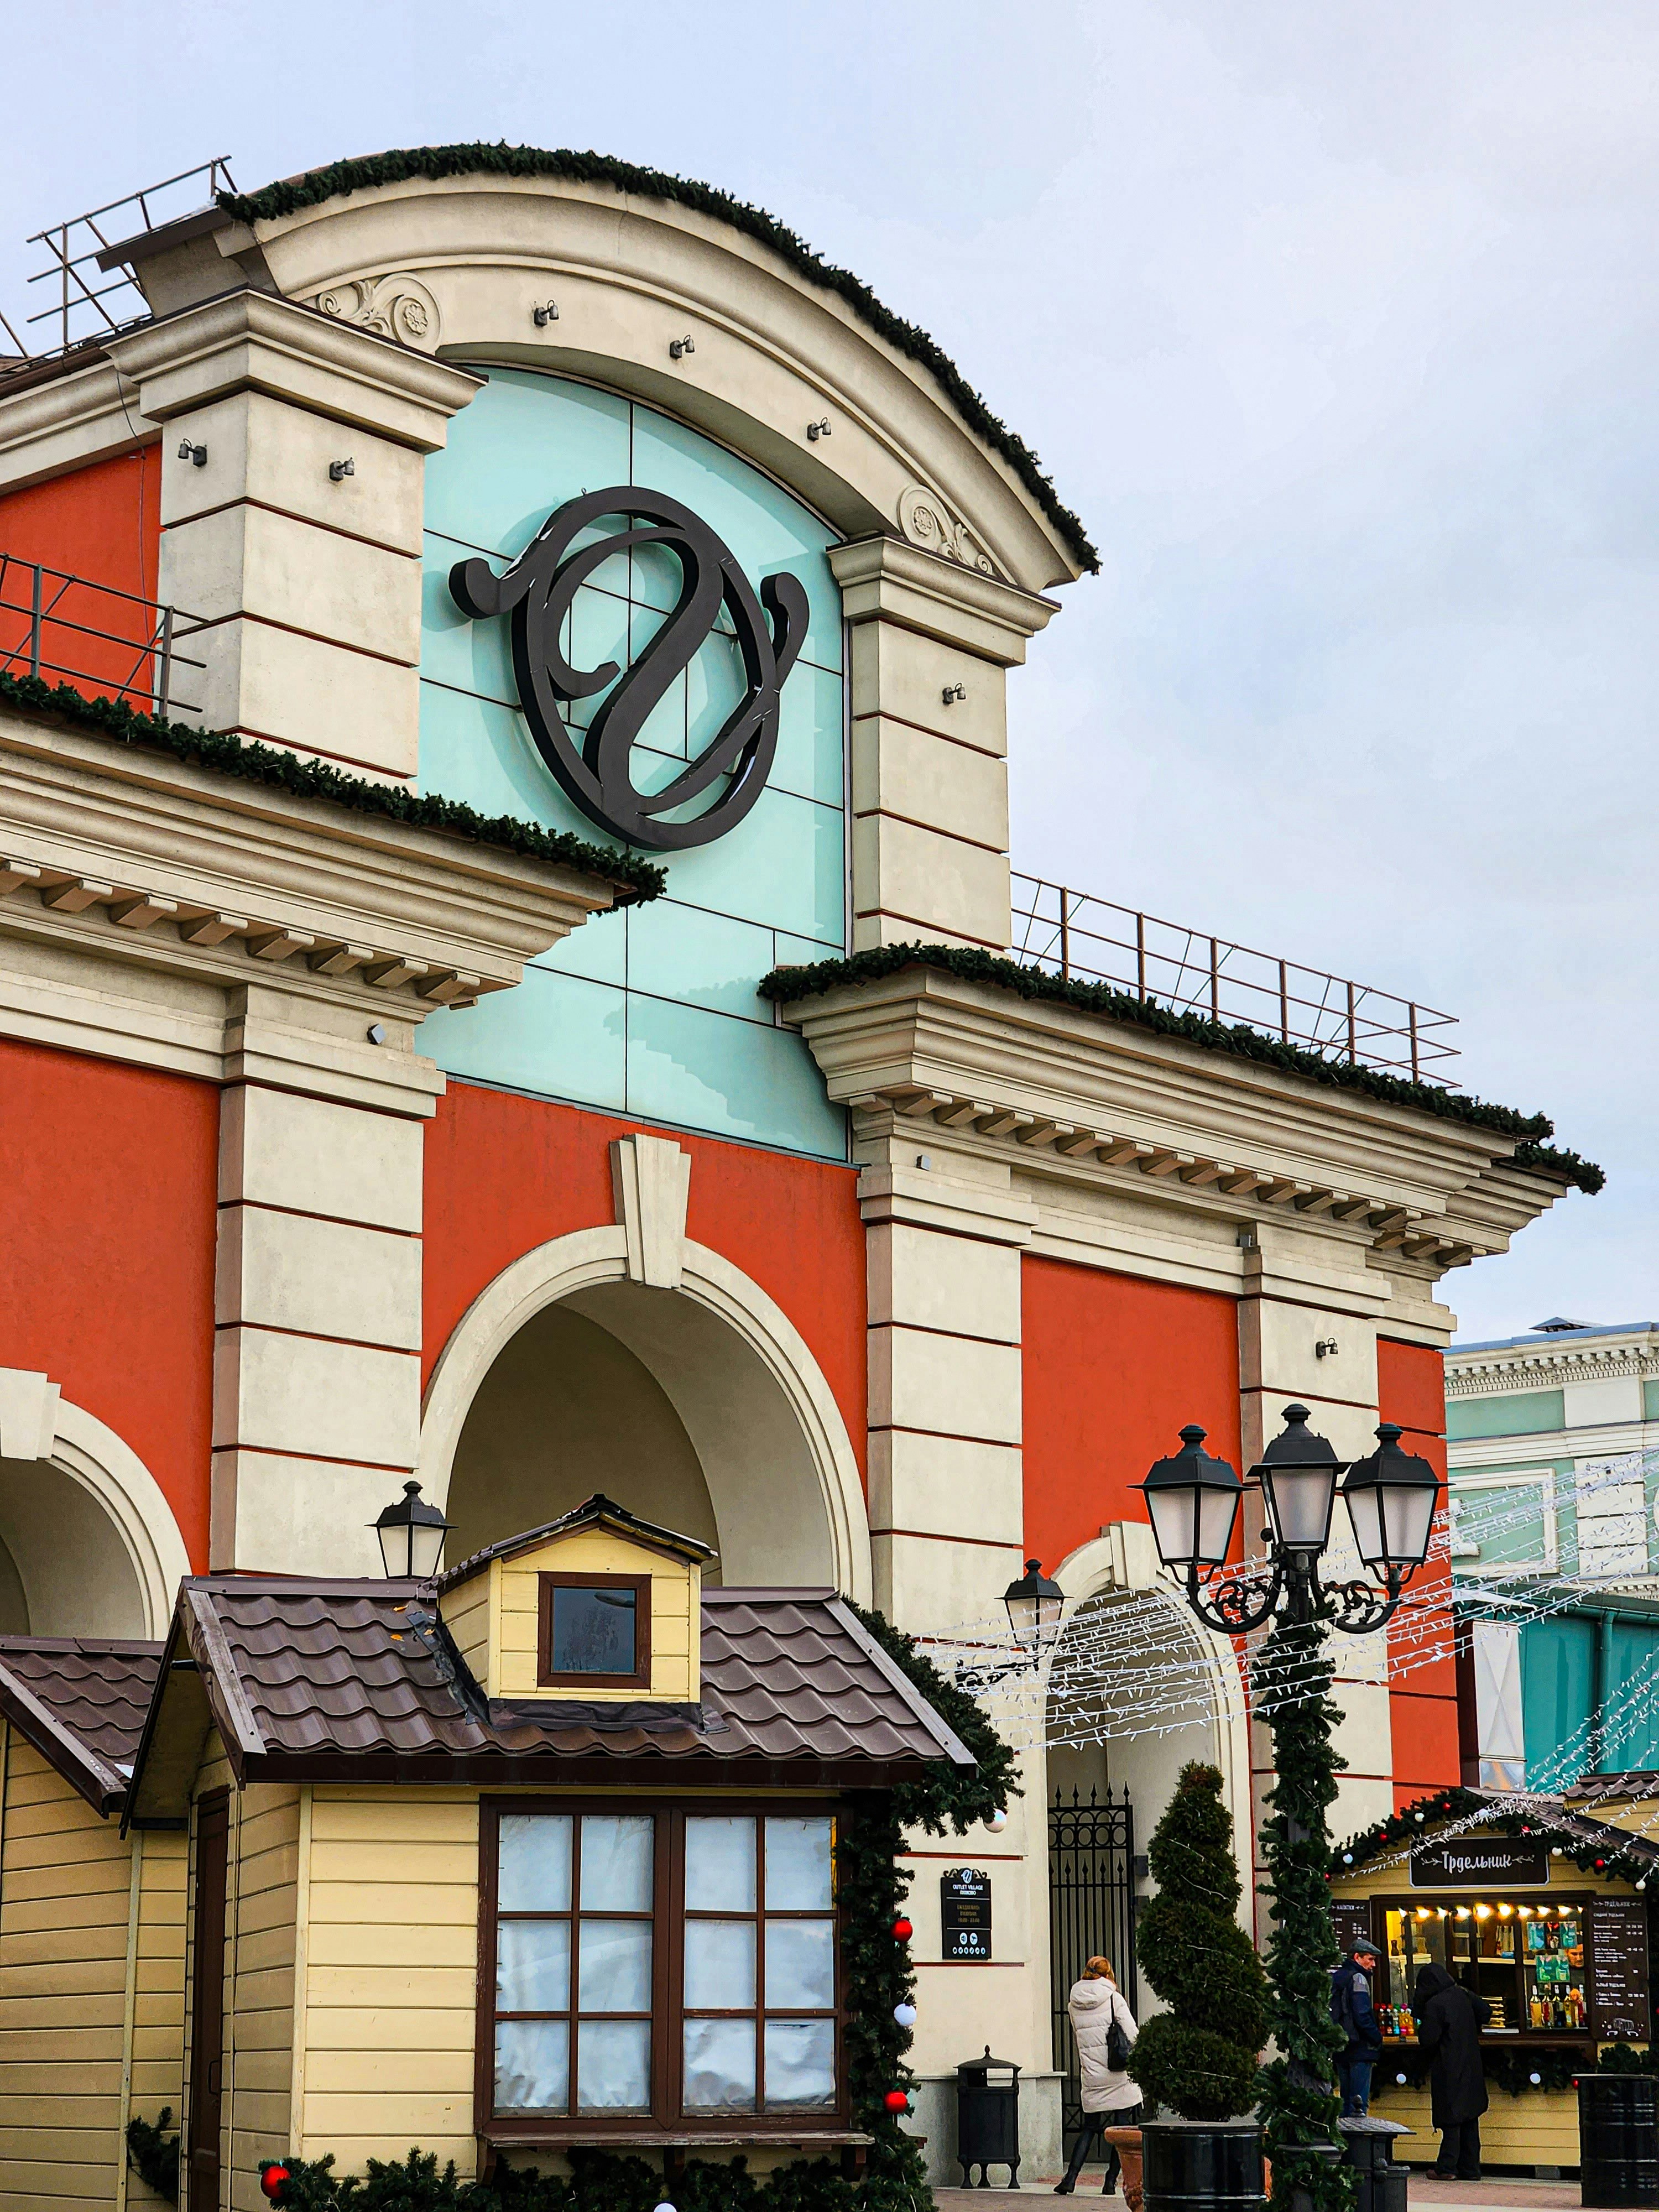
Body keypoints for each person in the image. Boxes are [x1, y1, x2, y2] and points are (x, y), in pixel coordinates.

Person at [1055, 1955, 1141, 2195]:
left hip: (1092, 2073)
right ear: (1108, 1974)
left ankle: (1070, 2179)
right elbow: (1133, 2034)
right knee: (1122, 2129)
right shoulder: (1114, 1998)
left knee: (1089, 2127)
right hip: (1119, 2073)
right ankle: (1110, 2183)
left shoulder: (1074, 2003)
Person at [1415, 1961, 1493, 2180]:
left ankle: (1447, 2167)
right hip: (1472, 2063)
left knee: (1452, 2116)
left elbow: (1427, 2039)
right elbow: (1486, 2012)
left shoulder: (1435, 2005)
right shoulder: (1462, 1995)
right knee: (1470, 2118)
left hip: (1448, 2065)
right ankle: (1471, 2168)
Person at [1329, 1944, 1384, 2116]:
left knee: (1346, 2102)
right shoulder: (1358, 1978)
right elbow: (1362, 2015)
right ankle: (1357, 2143)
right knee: (1358, 2105)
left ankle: (1346, 2140)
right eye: (1370, 1959)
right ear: (1357, 1958)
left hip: (1341, 2045)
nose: (1373, 1965)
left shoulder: (1337, 1977)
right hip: (1359, 2047)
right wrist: (1376, 2038)